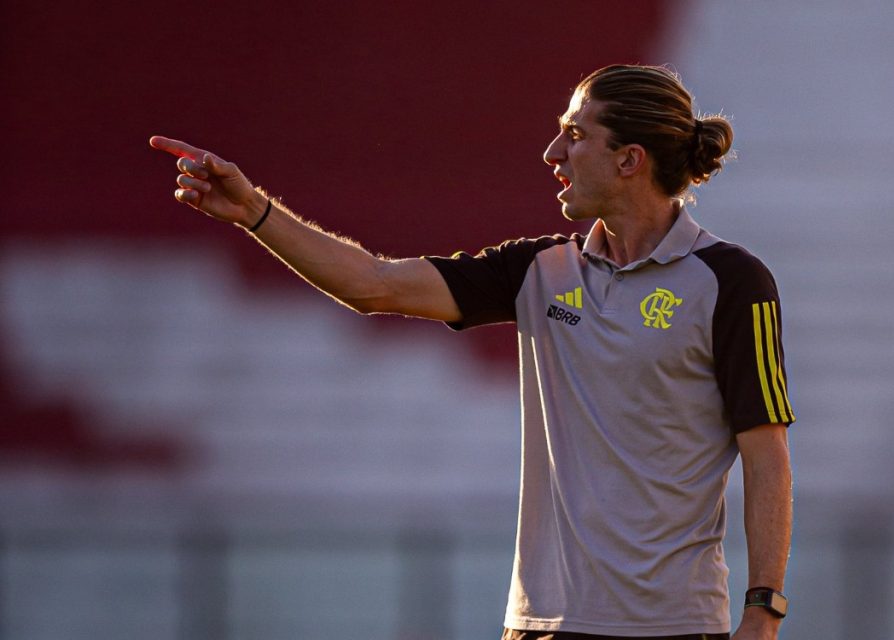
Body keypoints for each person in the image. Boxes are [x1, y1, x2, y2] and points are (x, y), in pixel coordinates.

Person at [151, 64, 794, 640]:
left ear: (629, 159)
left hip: (675, 630)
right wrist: (255, 212)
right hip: (539, 624)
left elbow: (767, 457)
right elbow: (371, 285)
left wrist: (763, 612)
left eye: (575, 134)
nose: (552, 152)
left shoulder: (732, 282)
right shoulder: (541, 270)